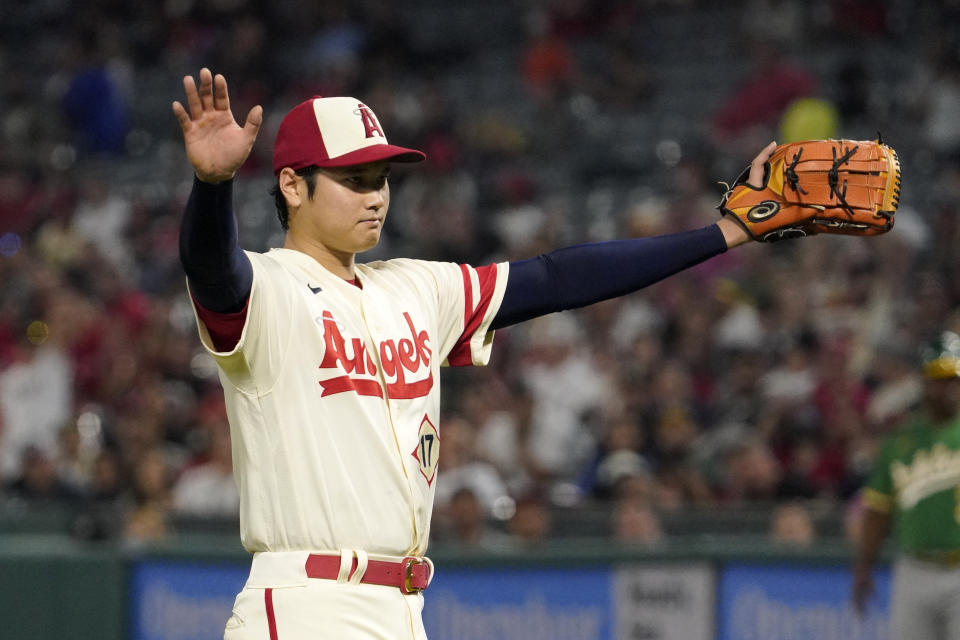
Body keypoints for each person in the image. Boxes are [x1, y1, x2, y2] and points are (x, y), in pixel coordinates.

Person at [171, 67, 777, 639]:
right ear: (292, 185)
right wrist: (213, 185)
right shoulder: (268, 290)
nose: (376, 195)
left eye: (381, 178)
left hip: (403, 607)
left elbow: (558, 278)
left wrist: (724, 232)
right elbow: (213, 270)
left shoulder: (417, 288)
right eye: (354, 180)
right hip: (305, 602)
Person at [852, 330, 960, 639]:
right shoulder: (900, 442)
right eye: (940, 378)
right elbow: (877, 509)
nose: (948, 388)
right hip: (914, 568)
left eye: (953, 378)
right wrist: (864, 566)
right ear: (924, 382)